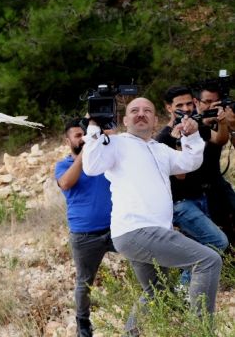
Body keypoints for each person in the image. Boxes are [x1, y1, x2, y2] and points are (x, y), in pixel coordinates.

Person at [82, 97, 221, 334]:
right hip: (137, 230)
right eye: (134, 110)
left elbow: (190, 162)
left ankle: (131, 333)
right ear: (124, 120)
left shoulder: (160, 149)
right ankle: (202, 331)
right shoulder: (115, 144)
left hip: (149, 233)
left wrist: (192, 135)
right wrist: (94, 127)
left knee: (158, 292)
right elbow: (91, 166)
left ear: (156, 120)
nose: (140, 114)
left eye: (147, 110)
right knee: (208, 260)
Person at [154, 86, 228, 270]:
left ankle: (192, 289)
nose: (186, 109)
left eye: (189, 103)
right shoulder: (163, 138)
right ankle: (183, 288)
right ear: (168, 108)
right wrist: (180, 141)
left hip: (200, 197)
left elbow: (219, 139)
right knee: (217, 242)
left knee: (200, 247)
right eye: (180, 105)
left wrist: (223, 122)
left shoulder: (196, 127)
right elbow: (180, 175)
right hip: (182, 204)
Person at [55, 118, 115, 337]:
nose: (82, 138)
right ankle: (83, 322)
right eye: (78, 135)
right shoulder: (63, 165)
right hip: (85, 234)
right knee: (85, 281)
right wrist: (87, 149)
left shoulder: (102, 160)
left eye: (85, 134)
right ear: (68, 139)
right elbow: (66, 183)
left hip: (116, 228)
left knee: (146, 257)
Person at [194, 85, 235, 243]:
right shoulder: (190, 123)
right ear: (197, 102)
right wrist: (204, 122)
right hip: (195, 189)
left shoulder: (221, 121)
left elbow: (223, 140)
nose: (212, 106)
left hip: (217, 183)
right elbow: (216, 139)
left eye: (216, 102)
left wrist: (231, 126)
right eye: (208, 102)